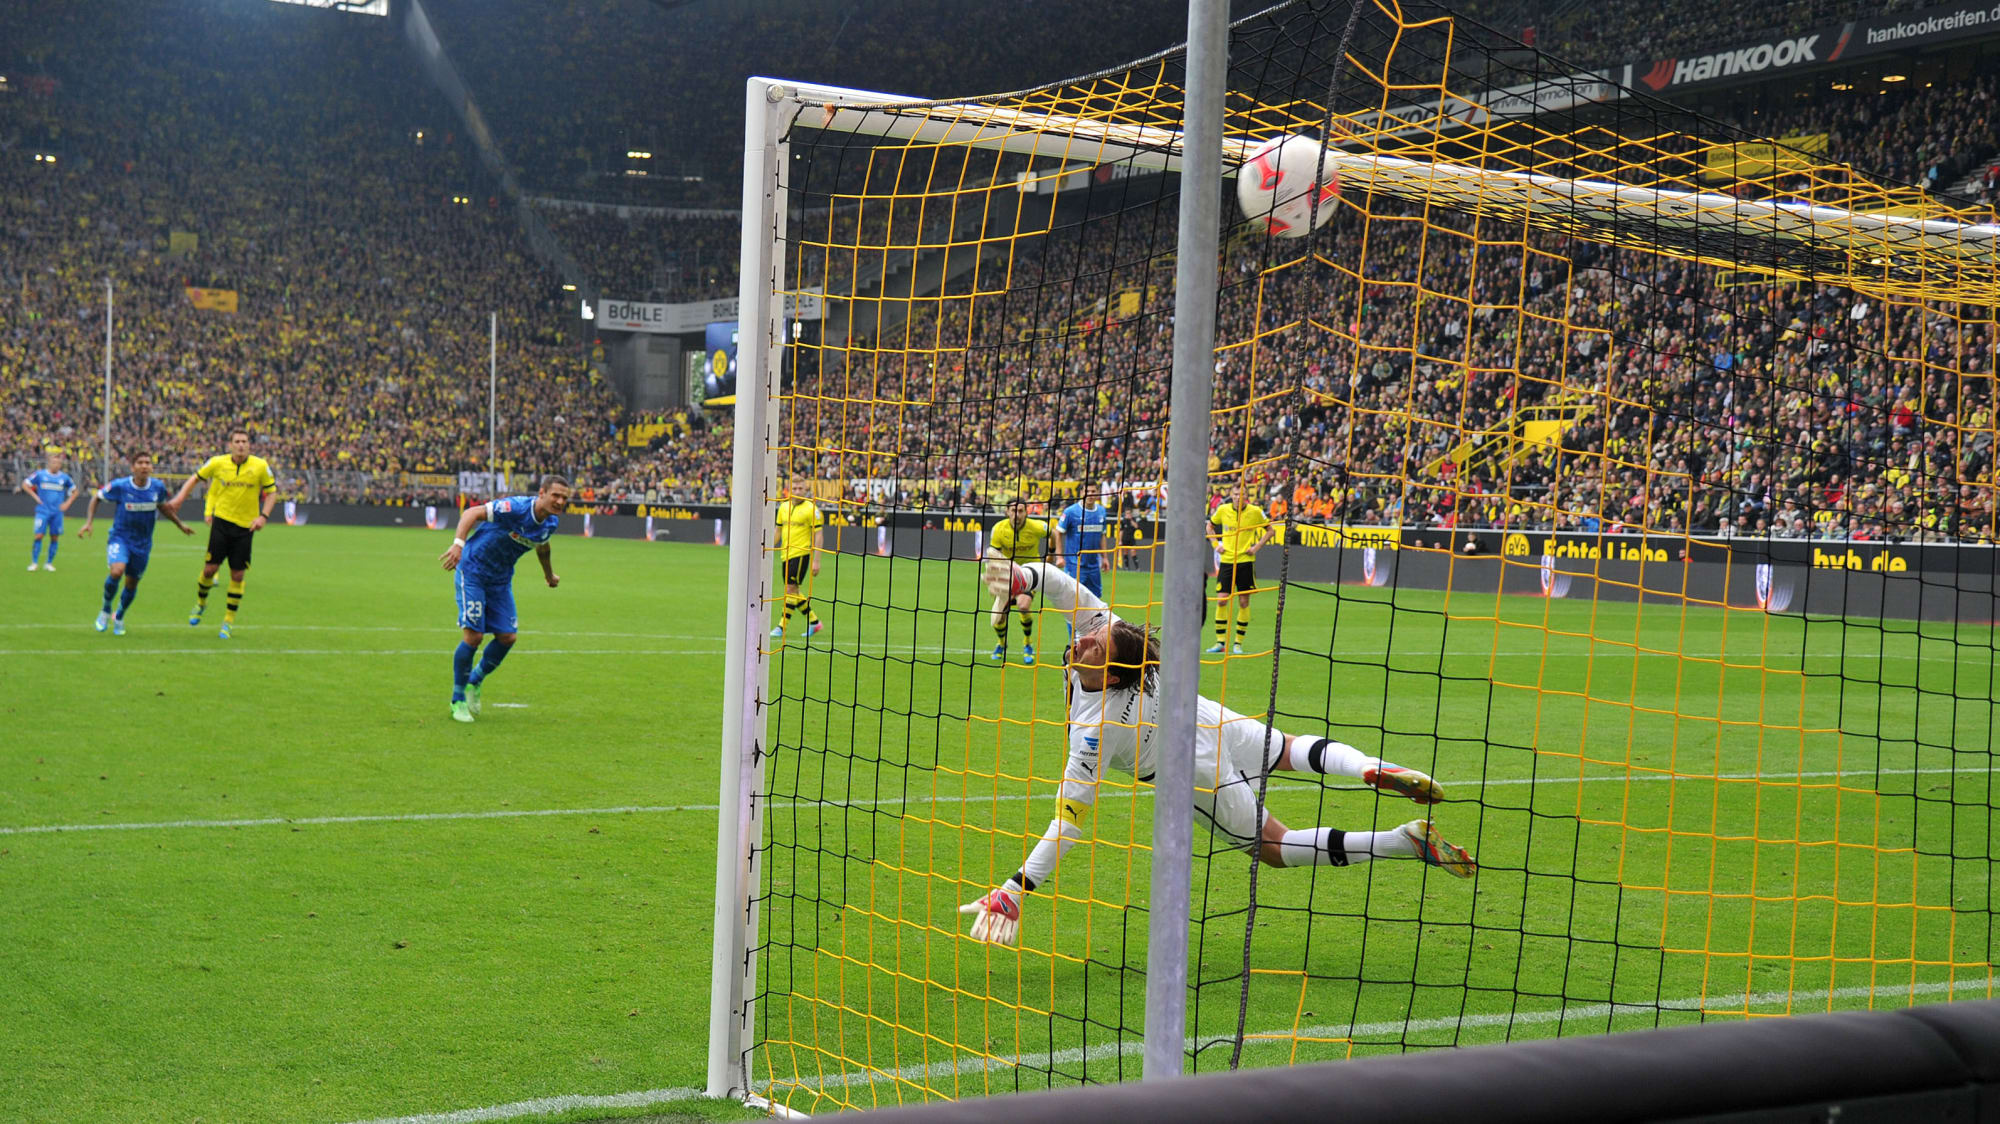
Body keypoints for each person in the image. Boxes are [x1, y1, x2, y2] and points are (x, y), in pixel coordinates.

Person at [959, 557, 1474, 946]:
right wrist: (1022, 578)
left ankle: (1401, 840)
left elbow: (1069, 818)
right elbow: (1062, 584)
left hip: (1188, 768)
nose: (1084, 641)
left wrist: (1016, 888)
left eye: (1094, 647)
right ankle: (1369, 765)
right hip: (1202, 713)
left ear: (1112, 675)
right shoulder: (1108, 630)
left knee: (1273, 848)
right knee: (1291, 749)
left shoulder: (1096, 731)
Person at [438, 474, 571, 723]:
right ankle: (457, 700)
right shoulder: (515, 508)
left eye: (564, 497)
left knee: (508, 637)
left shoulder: (550, 523)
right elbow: (472, 513)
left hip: (500, 580)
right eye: (556, 495)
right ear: (541, 493)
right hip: (474, 570)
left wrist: (549, 574)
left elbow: (543, 546)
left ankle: (473, 683)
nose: (560, 501)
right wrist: (458, 544)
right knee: (474, 636)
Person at [169, 429, 279, 639]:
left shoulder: (260, 466)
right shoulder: (217, 463)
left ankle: (228, 621)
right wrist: (180, 498)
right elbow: (195, 478)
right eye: (237, 441)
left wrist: (263, 516)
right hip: (222, 522)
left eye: (244, 441)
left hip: (246, 527)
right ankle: (201, 603)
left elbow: (272, 492)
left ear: (249, 445)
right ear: (230, 445)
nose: (240, 445)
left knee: (237, 574)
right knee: (210, 570)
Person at [77, 452, 195, 634]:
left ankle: (120, 616)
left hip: (143, 544)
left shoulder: (157, 487)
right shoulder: (121, 486)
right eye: (140, 462)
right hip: (120, 537)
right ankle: (106, 609)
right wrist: (89, 522)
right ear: (133, 467)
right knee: (117, 571)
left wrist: (180, 525)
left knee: (131, 584)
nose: (144, 466)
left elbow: (163, 507)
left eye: (148, 462)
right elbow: (96, 498)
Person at [1207, 477, 1272, 655]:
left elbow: (1270, 530)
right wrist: (1215, 545)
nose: (1238, 497)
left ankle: (1237, 643)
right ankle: (1220, 642)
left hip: (1245, 562)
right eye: (1235, 494)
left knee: (1243, 602)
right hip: (1227, 561)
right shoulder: (1223, 510)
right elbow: (1209, 526)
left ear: (1246, 496)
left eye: (1242, 494)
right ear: (1231, 495)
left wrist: (1256, 547)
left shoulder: (1255, 512)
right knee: (1221, 600)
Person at [985, 497, 1050, 664]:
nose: (1017, 514)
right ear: (1007, 512)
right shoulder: (998, 529)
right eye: (1013, 510)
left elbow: (1053, 533)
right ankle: (1002, 644)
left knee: (1023, 605)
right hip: (1007, 575)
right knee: (999, 617)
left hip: (1030, 573)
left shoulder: (1036, 527)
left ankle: (1027, 644)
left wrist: (1052, 554)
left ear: (1026, 512)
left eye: (1020, 510)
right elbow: (995, 556)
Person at [771, 481, 825, 641]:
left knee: (790, 589)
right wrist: (768, 548)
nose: (797, 490)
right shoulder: (783, 507)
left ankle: (781, 627)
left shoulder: (812, 509)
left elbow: (819, 535)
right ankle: (814, 621)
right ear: (789, 490)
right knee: (793, 590)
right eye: (795, 488)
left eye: (800, 488)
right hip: (785, 554)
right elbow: (778, 530)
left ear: (805, 490)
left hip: (801, 554)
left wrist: (817, 561)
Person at [1053, 481, 1110, 612]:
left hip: (1094, 566)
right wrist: (1060, 557)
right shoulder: (1071, 512)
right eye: (1087, 491)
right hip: (1075, 566)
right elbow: (1058, 532)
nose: (1090, 494)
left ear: (1097, 493)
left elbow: (1102, 535)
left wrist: (1105, 557)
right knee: (1074, 603)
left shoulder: (1101, 511)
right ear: (1081, 493)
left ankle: (1092, 632)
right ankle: (1073, 633)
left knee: (1095, 603)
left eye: (1093, 491)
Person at [20, 450, 78, 572]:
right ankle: (34, 563)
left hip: (57, 513)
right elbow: (25, 484)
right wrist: (35, 496)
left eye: (58, 463)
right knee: (39, 536)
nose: (56, 465)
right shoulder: (40, 475)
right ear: (49, 463)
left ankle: (49, 563)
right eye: (53, 462)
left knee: (54, 537)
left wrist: (67, 503)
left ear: (60, 465)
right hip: (43, 511)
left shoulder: (64, 478)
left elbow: (75, 491)